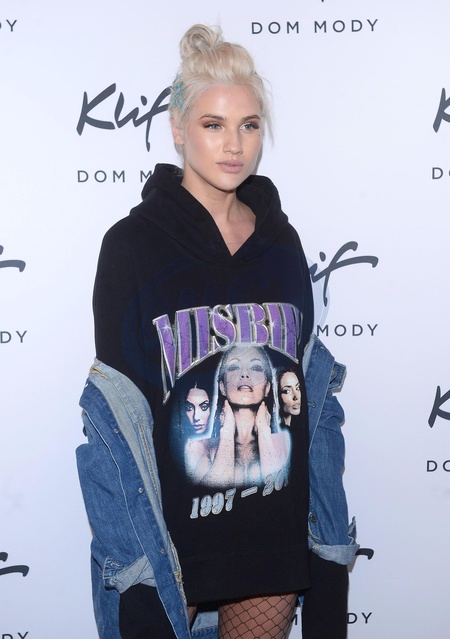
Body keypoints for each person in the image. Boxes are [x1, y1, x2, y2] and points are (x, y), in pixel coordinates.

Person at [82, 23, 352, 639]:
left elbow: (302, 398)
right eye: (213, 124)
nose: (234, 145)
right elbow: (120, 413)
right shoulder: (131, 246)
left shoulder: (281, 243)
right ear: (178, 130)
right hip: (172, 544)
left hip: (271, 536)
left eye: (249, 125)